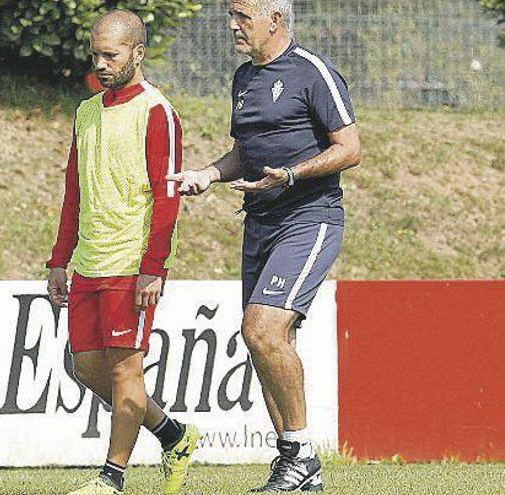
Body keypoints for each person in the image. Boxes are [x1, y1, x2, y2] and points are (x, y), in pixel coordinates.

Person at [167, 0, 361, 491]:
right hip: (259, 221)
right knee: (263, 341)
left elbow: (350, 149)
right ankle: (295, 467)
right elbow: (242, 152)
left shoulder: (313, 71)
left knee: (263, 328)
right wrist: (207, 174)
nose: (233, 25)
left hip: (309, 217)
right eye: (231, 16)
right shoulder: (243, 79)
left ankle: (301, 456)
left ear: (276, 20)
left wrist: (292, 174)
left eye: (243, 17)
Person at [46, 9, 200, 495]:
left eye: (111, 54)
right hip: (89, 263)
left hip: (132, 264)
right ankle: (174, 436)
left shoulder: (157, 111)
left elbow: (167, 195)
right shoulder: (86, 112)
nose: (102, 63)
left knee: (124, 369)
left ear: (138, 53)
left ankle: (111, 479)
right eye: (96, 54)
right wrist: (58, 259)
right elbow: (74, 190)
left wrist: (153, 267)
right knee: (87, 368)